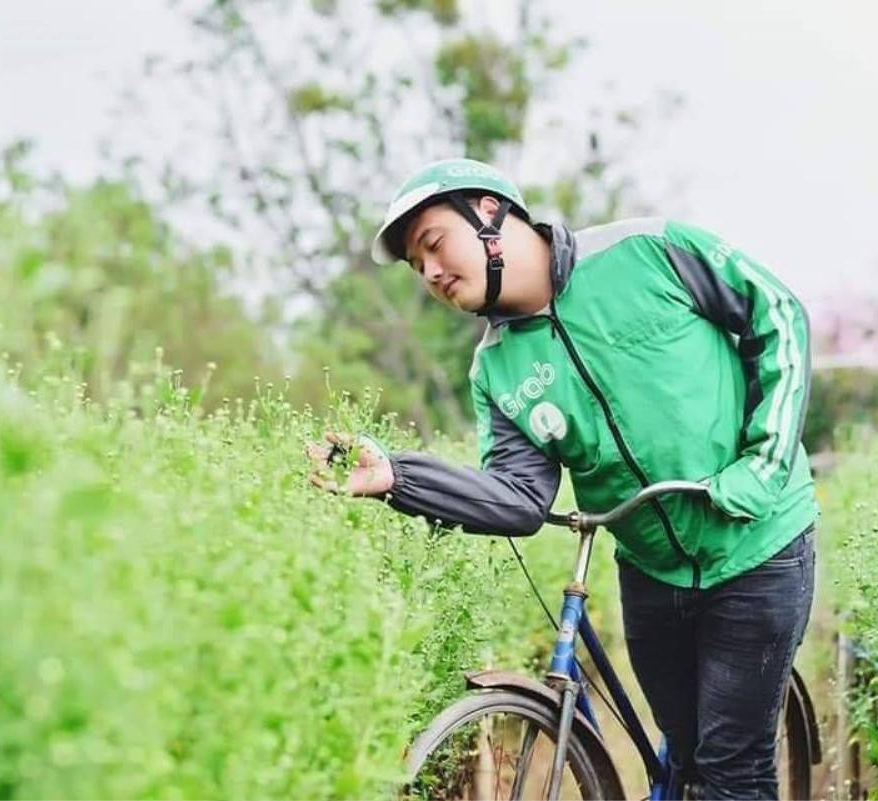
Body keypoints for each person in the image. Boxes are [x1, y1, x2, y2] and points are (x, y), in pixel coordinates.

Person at [305, 158, 818, 800]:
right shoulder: (496, 368)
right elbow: (518, 498)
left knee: (731, 768)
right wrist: (396, 478)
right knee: (687, 761)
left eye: (433, 244)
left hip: (758, 545)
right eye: (417, 266)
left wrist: (764, 464)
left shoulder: (650, 250)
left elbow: (777, 314)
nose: (430, 273)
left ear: (489, 213)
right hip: (652, 570)